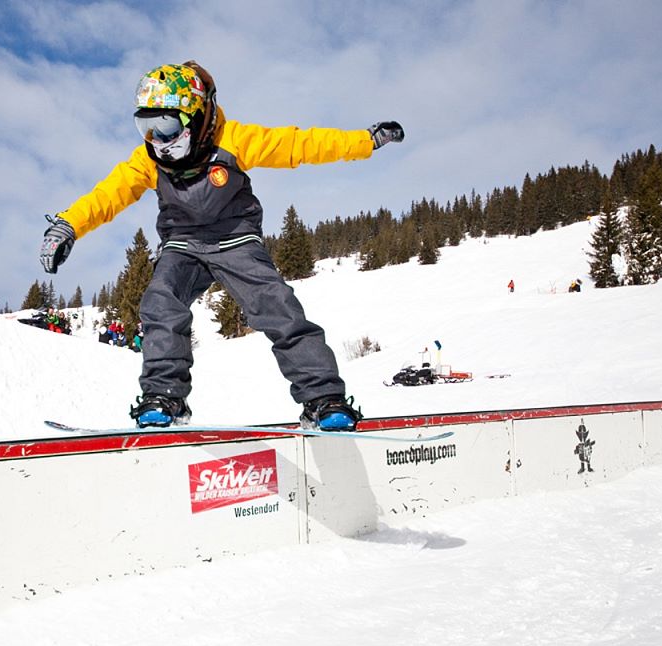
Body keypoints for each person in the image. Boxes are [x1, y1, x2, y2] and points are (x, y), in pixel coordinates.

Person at [39, 61, 404, 430]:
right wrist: (68, 225)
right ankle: (164, 397)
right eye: (146, 128)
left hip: (236, 240)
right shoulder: (146, 161)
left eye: (165, 127)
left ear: (196, 117)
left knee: (276, 306)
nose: (158, 142)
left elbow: (301, 144)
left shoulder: (234, 140)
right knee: (161, 303)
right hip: (182, 245)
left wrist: (365, 140)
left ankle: (323, 399)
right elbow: (108, 194)